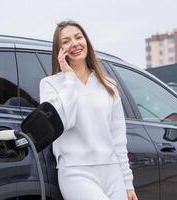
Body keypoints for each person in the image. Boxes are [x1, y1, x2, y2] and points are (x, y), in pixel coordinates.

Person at [39, 20, 138, 200]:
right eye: (66, 41)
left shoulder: (108, 85)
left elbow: (118, 139)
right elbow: (65, 121)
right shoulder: (50, 85)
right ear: (59, 49)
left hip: (112, 171)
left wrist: (128, 182)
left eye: (78, 37)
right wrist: (69, 76)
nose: (75, 43)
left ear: (86, 41)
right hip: (76, 171)